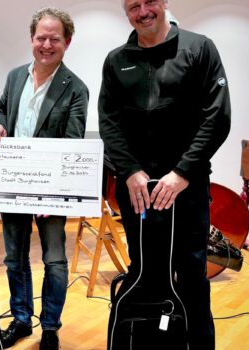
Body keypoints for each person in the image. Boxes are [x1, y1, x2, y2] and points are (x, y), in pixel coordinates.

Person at [98, 0, 231, 349]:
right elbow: (109, 122)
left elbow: (216, 117)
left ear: (165, 3)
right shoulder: (116, 60)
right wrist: (129, 172)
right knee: (144, 269)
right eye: (133, 6)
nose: (143, 11)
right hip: (137, 190)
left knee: (191, 274)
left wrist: (182, 173)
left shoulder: (199, 48)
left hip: (186, 186)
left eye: (150, 2)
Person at [0, 7, 88, 350]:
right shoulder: (15, 76)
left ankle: (50, 326)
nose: (47, 44)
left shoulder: (76, 88)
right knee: (14, 257)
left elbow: (72, 143)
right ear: (32, 39)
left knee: (55, 260)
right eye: (41, 37)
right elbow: (2, 109)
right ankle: (20, 319)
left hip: (50, 190)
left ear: (67, 42)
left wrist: (50, 195)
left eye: (54, 38)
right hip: (13, 183)